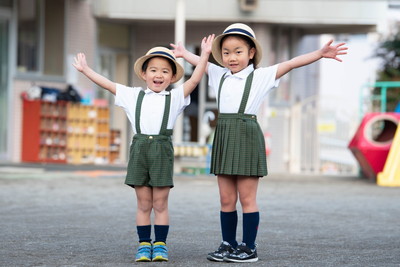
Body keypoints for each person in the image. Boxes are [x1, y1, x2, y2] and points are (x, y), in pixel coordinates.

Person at [171, 23, 347, 263]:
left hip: (247, 134)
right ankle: (228, 244)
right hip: (224, 134)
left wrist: (319, 53)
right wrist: (183, 53)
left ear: (251, 53)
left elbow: (293, 62)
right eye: (226, 52)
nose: (231, 57)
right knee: (225, 198)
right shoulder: (217, 73)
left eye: (238, 51)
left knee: (247, 198)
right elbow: (199, 61)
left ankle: (249, 248)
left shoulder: (261, 76)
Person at [73, 34, 214, 262]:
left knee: (160, 203)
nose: (159, 75)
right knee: (143, 203)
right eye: (154, 70)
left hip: (162, 151)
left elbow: (195, 81)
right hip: (139, 150)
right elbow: (107, 84)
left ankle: (160, 245)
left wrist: (205, 55)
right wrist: (86, 70)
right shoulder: (132, 95)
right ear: (144, 73)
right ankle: (142, 245)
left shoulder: (175, 97)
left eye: (165, 71)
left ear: (172, 77)